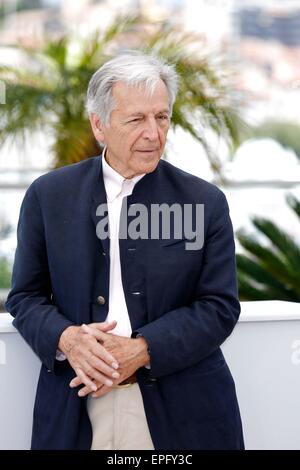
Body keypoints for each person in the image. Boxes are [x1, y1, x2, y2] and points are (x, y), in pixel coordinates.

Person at [6, 50, 244, 450]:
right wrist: (67, 339)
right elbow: (25, 297)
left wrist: (142, 350)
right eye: (136, 119)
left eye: (162, 117)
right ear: (100, 125)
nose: (153, 133)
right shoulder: (48, 197)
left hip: (183, 411)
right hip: (74, 406)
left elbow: (220, 306)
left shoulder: (205, 202)